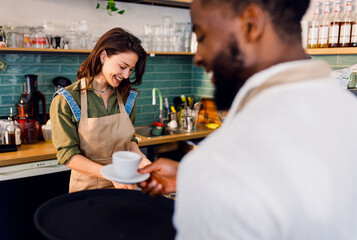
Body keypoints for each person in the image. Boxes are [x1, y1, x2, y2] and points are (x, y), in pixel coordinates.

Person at [139, 0, 357, 239]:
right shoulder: (348, 111)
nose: (198, 58)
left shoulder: (220, 162)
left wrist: (205, 178)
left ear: (251, 24)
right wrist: (190, 178)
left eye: (202, 36)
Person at [50, 27, 151, 193]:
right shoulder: (66, 100)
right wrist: (111, 175)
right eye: (122, 66)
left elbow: (129, 140)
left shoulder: (127, 96)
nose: (126, 75)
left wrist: (141, 158)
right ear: (103, 56)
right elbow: (68, 156)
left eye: (130, 69)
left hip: (126, 187)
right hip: (87, 192)